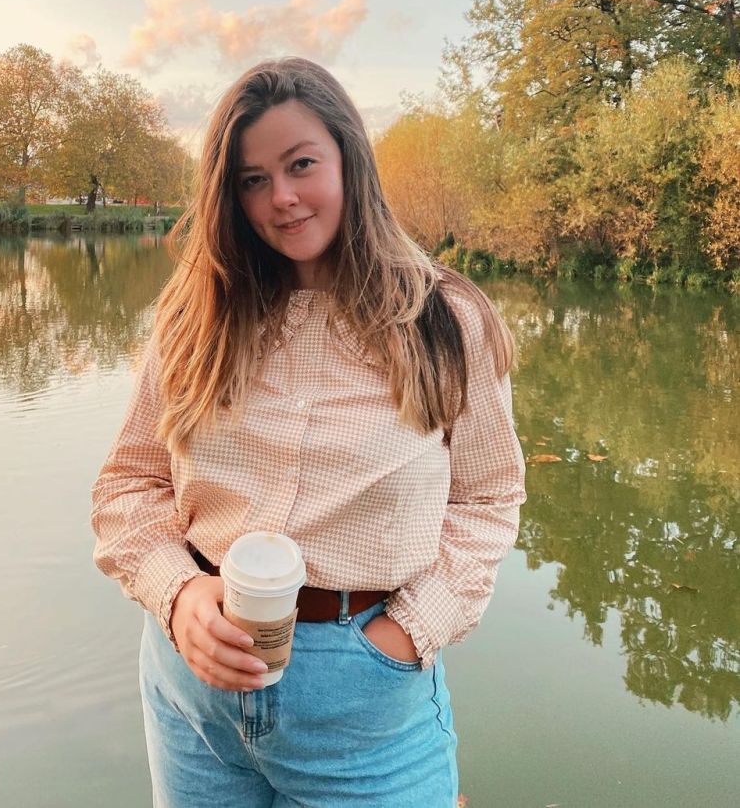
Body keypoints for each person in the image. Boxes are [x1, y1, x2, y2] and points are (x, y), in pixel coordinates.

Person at [91, 56, 526, 807]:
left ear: (349, 159)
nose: (281, 198)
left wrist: (403, 634)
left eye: (301, 164)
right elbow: (130, 483)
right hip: (193, 695)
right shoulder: (194, 315)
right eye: (252, 180)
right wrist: (178, 594)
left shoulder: (446, 320)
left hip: (364, 702)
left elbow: (489, 499)